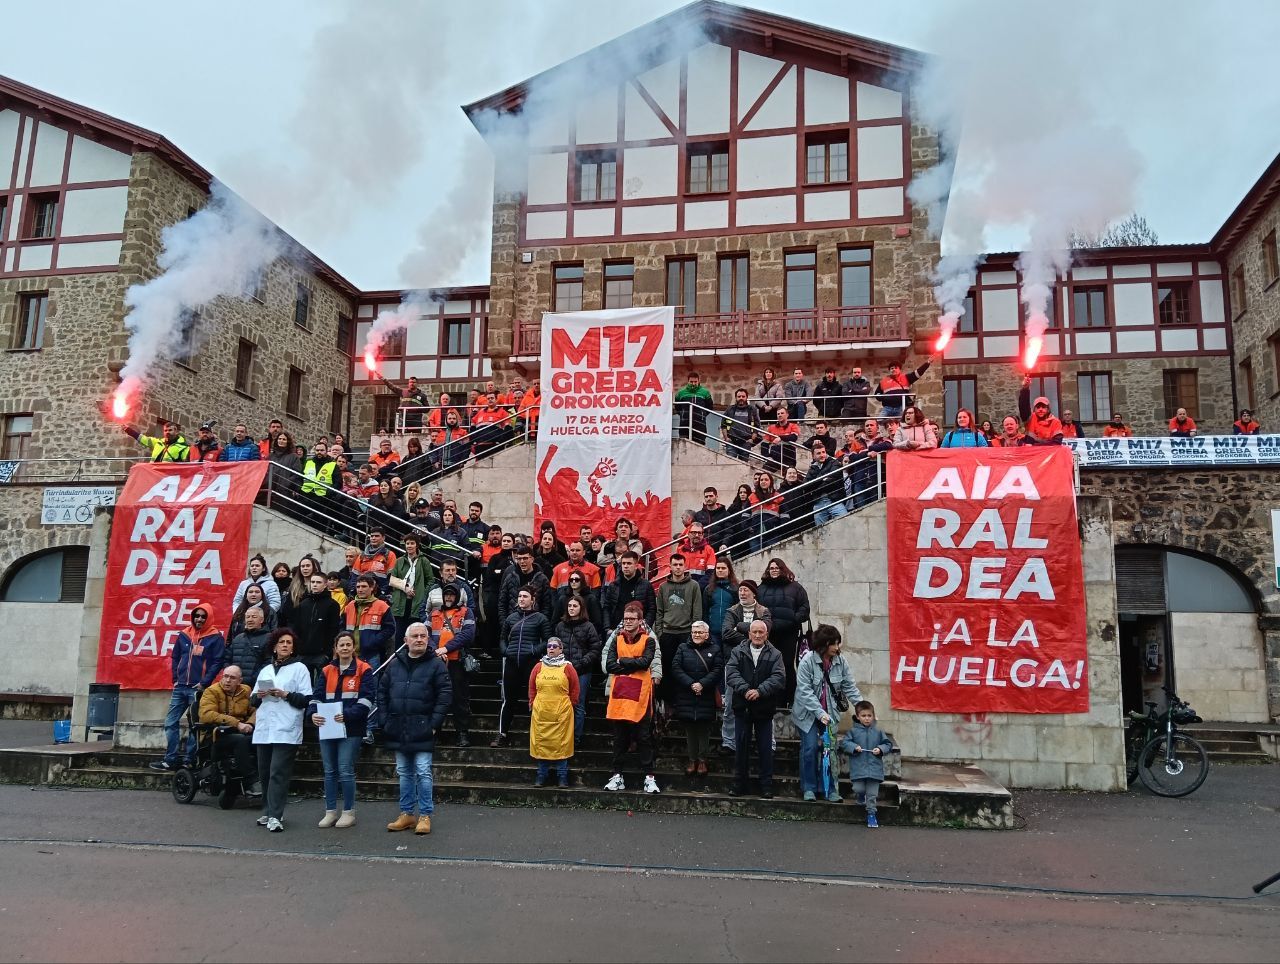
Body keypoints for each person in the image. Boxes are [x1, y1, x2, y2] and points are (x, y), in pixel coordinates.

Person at [381, 622, 452, 835]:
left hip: (423, 727)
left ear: (428, 639)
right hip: (398, 726)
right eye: (415, 636)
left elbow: (445, 696)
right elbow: (382, 692)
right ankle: (407, 813)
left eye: (423, 636)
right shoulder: (394, 664)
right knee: (404, 772)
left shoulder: (436, 665)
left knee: (422, 771)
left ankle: (425, 815)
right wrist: (384, 721)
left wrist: (434, 724)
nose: (419, 639)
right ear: (406, 640)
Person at [149, 602, 224, 772]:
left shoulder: (215, 637)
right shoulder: (184, 635)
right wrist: (175, 679)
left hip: (198, 689)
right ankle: (170, 760)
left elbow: (218, 661)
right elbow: (175, 657)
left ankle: (189, 760)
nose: (199, 619)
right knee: (170, 722)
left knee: (194, 725)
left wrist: (204, 682)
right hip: (180, 687)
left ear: (209, 618)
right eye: (196, 616)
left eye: (203, 616)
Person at [309, 631, 373, 828]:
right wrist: (312, 713)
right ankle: (330, 812)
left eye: (348, 644)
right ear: (335, 649)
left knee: (345, 770)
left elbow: (367, 700)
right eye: (341, 645)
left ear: (353, 648)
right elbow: (316, 696)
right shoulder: (327, 670)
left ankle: (348, 812)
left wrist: (348, 715)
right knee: (329, 771)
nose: (345, 648)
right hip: (328, 727)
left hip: (351, 728)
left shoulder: (364, 669)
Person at [250, 629, 312, 832]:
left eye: (289, 643)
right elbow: (252, 700)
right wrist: (259, 695)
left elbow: (306, 699)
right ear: (274, 647)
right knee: (265, 772)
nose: (285, 645)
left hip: (286, 728)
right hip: (265, 727)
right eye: (281, 642)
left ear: (293, 648)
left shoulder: (300, 668)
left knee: (278, 772)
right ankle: (268, 811)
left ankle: (276, 816)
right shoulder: (265, 670)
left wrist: (285, 694)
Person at [792, 624, 863, 802]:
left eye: (838, 643)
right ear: (824, 644)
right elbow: (805, 691)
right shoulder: (807, 661)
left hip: (830, 713)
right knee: (810, 748)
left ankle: (830, 789)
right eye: (834, 643)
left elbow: (849, 686)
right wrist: (819, 713)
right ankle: (809, 788)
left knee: (829, 750)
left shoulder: (841, 661)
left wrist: (862, 707)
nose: (837, 647)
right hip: (807, 714)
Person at [602, 601, 661, 794]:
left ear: (640, 621)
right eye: (626, 618)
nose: (628, 622)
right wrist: (632, 664)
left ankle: (649, 777)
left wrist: (623, 662)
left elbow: (645, 663)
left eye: (632, 619)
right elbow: (609, 665)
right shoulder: (616, 638)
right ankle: (617, 775)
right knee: (620, 737)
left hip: (641, 694)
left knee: (643, 737)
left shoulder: (649, 640)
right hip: (620, 693)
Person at [725, 620, 786, 798]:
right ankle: (739, 784)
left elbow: (779, 677)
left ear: (766, 635)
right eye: (755, 632)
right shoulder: (738, 651)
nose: (758, 635)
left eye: (761, 632)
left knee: (765, 749)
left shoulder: (775, 654)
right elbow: (731, 673)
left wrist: (760, 691)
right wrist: (746, 690)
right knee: (741, 747)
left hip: (764, 708)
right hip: (742, 706)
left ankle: (766, 786)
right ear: (749, 634)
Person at [493, 588, 553, 747]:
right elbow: (502, 638)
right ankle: (502, 734)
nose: (521, 599)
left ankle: (538, 735)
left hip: (531, 663)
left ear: (532, 599)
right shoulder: (511, 618)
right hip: (512, 662)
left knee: (536, 699)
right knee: (508, 700)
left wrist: (533, 651)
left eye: (525, 596)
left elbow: (547, 640)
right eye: (519, 596)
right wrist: (505, 650)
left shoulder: (541, 618)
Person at [719, 580, 771, 755]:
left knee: (763, 704)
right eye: (740, 590)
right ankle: (729, 742)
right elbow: (726, 633)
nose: (742, 593)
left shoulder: (763, 611)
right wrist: (752, 637)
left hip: (760, 663)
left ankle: (768, 744)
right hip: (735, 661)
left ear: (753, 593)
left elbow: (766, 630)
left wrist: (740, 627)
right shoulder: (732, 611)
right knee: (730, 705)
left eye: (746, 590)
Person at [198, 665, 259, 797]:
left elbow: (256, 710)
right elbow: (206, 715)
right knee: (241, 740)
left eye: (232, 678)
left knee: (260, 740)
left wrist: (249, 723)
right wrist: (236, 723)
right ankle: (251, 781)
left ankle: (262, 779)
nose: (227, 680)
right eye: (225, 676)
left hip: (241, 731)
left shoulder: (246, 690)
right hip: (216, 735)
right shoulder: (212, 691)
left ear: (240, 680)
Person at [671, 621, 723, 777]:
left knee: (704, 729)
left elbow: (718, 669)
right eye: (694, 632)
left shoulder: (715, 649)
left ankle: (702, 760)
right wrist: (691, 684)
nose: (696, 635)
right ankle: (692, 759)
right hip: (687, 694)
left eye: (700, 632)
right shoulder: (682, 648)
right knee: (690, 729)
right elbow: (676, 667)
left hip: (705, 695)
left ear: (707, 634)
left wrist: (702, 684)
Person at [527, 637, 580, 788]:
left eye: (554, 646)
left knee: (562, 745)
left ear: (561, 649)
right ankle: (541, 776)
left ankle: (562, 777)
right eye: (549, 646)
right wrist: (532, 703)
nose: (551, 648)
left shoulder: (568, 667)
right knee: (542, 744)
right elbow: (532, 687)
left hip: (562, 712)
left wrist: (569, 706)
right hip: (541, 712)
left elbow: (575, 689)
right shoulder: (538, 666)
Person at [756, 558, 809, 705]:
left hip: (788, 634)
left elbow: (804, 607)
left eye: (777, 568)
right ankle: (769, 698)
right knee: (767, 665)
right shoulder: (761, 588)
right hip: (768, 634)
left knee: (787, 665)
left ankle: (789, 699)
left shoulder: (795, 587)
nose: (774, 570)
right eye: (771, 568)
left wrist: (794, 619)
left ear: (782, 569)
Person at [654, 553, 702, 705]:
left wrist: (694, 633)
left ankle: (684, 701)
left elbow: (697, 612)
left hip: (686, 633)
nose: (678, 567)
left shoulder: (693, 585)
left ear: (685, 566)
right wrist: (660, 633)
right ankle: (668, 702)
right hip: (667, 633)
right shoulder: (663, 587)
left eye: (681, 564)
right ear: (670, 566)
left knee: (685, 668)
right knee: (667, 668)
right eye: (675, 564)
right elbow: (659, 611)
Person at [430, 584, 474, 747]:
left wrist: (446, 648)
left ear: (457, 597)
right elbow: (425, 634)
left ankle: (462, 733)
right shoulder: (434, 613)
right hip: (437, 662)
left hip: (457, 662)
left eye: (452, 595)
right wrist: (435, 651)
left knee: (459, 699)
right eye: (446, 594)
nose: (449, 597)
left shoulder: (465, 612)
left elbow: (468, 634)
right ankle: (435, 732)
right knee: (435, 698)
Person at [840, 700, 894, 828]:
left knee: (872, 794)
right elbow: (844, 743)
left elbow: (888, 744)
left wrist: (880, 749)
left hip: (874, 769)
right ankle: (860, 795)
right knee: (858, 788)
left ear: (873, 716)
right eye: (863, 716)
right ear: (858, 717)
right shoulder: (853, 732)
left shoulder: (878, 732)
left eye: (869, 715)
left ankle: (871, 814)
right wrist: (854, 747)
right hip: (859, 768)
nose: (867, 718)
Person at [555, 596, 601, 745]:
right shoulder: (560, 626)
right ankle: (562, 735)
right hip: (562, 669)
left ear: (581, 608)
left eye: (575, 606)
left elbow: (595, 649)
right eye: (569, 606)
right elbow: (555, 646)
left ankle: (576, 737)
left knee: (578, 703)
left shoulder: (588, 626)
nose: (571, 608)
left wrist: (581, 663)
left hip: (582, 670)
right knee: (561, 702)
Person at [343, 574, 396, 671]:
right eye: (358, 587)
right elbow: (342, 626)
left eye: (364, 586)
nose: (360, 589)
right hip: (350, 655)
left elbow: (390, 628)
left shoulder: (382, 606)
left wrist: (374, 641)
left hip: (371, 655)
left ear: (372, 588)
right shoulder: (349, 606)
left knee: (371, 680)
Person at [294, 572, 342, 678]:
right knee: (304, 685)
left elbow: (333, 630)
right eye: (313, 582)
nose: (315, 584)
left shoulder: (332, 605)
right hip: (303, 653)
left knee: (321, 684)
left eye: (318, 582)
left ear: (325, 585)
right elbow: (297, 628)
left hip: (322, 654)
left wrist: (327, 653)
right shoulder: (303, 604)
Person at [601, 551, 656, 628]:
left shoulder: (646, 585)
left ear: (636, 566)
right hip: (615, 629)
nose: (625, 566)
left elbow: (652, 609)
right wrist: (607, 628)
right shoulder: (613, 586)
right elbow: (607, 608)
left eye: (629, 563)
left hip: (638, 630)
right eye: (623, 563)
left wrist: (644, 627)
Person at [499, 545, 552, 624]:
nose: (522, 561)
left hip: (534, 623)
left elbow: (547, 605)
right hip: (513, 623)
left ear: (532, 559)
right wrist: (504, 623)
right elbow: (502, 603)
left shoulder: (542, 579)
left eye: (525, 558)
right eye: (519, 559)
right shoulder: (510, 578)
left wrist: (541, 623)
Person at [226, 606, 272, 687]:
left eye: (254, 617)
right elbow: (227, 658)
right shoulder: (238, 638)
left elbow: (269, 663)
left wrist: (253, 679)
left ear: (261, 620)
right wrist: (231, 675)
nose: (250, 620)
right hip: (235, 685)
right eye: (247, 617)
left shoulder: (269, 638)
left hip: (257, 684)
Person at [806, 440, 847, 525]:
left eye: (823, 452)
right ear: (813, 456)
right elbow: (806, 485)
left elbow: (831, 480)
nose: (822, 455)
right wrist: (823, 479)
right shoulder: (813, 468)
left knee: (845, 523)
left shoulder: (834, 463)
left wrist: (815, 487)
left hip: (834, 500)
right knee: (820, 529)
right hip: (819, 502)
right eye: (818, 453)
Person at [352, 527, 398, 598]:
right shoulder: (362, 556)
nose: (373, 538)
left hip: (380, 594)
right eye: (372, 536)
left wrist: (382, 593)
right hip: (362, 594)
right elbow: (354, 577)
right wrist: (353, 592)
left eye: (377, 536)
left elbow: (391, 578)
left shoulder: (389, 555)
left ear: (383, 538)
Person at [1017, 378, 1065, 444]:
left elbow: (1057, 442)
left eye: (1043, 407)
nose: (1040, 409)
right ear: (1034, 409)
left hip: (1049, 450)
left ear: (1048, 409)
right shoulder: (1030, 418)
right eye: (1038, 407)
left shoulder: (1056, 422)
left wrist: (1037, 445)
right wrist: (1025, 389)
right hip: (1031, 450)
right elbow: (1023, 406)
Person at [122, 419, 190, 462]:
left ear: (176, 432)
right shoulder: (158, 442)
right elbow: (144, 439)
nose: (167, 432)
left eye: (170, 430)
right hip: (153, 475)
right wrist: (129, 430)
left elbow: (187, 464)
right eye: (165, 430)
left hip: (169, 478)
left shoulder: (183, 447)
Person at [722, 388, 761, 462]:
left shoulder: (752, 409)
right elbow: (723, 425)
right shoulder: (730, 409)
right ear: (736, 398)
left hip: (746, 442)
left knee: (743, 464)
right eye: (739, 396)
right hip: (732, 441)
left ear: (747, 397)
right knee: (730, 463)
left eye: (743, 396)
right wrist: (726, 438)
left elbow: (757, 426)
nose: (741, 398)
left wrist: (752, 439)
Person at [674, 371, 714, 443]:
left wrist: (702, 415)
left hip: (700, 425)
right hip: (685, 425)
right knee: (683, 446)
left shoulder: (705, 392)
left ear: (698, 381)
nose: (693, 384)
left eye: (695, 382)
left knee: (700, 446)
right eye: (691, 382)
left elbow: (710, 407)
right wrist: (683, 414)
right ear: (688, 381)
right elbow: (677, 407)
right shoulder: (680, 393)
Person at [678, 524, 717, 590]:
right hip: (683, 587)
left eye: (699, 533)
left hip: (701, 589)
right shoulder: (681, 550)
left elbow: (711, 573)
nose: (697, 535)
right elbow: (675, 570)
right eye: (694, 533)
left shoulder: (709, 550)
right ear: (689, 534)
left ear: (703, 535)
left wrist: (697, 587)